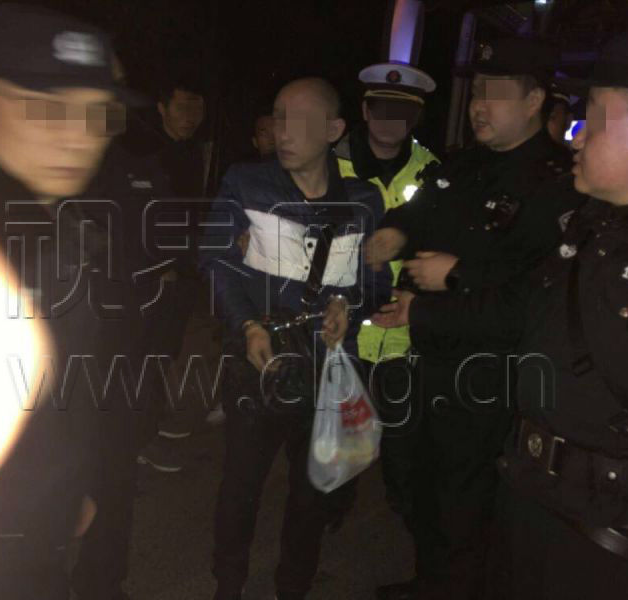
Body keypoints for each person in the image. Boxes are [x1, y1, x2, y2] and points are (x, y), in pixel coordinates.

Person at [0, 5, 163, 600]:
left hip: (36, 533)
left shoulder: (57, 219)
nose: (80, 136)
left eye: (98, 113)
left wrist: (69, 489)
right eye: (47, 107)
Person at [490, 30, 628, 600]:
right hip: (534, 506)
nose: (576, 134)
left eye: (593, 116)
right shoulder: (597, 222)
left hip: (623, 549)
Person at [365, 37, 579, 600]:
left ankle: (454, 587)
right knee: (414, 481)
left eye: (495, 94)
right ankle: (431, 580)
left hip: (487, 372)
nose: (479, 105)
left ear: (534, 100)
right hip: (424, 355)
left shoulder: (558, 183)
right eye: (477, 92)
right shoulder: (460, 164)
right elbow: (418, 212)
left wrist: (457, 278)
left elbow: (537, 298)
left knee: (466, 500)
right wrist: (395, 231)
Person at [199, 77, 387, 600]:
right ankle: (227, 585)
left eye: (299, 120)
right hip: (257, 366)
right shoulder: (246, 182)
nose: (283, 131)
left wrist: (348, 306)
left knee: (311, 497)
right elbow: (214, 259)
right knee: (240, 488)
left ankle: (294, 586)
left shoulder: (363, 200)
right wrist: (247, 324)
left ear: (334, 129)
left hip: (326, 371)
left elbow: (376, 282)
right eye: (278, 117)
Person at [335, 61, 438, 368]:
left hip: (404, 345)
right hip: (340, 337)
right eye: (382, 109)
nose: (391, 120)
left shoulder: (435, 174)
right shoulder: (327, 168)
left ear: (416, 117)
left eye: (402, 112)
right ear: (365, 111)